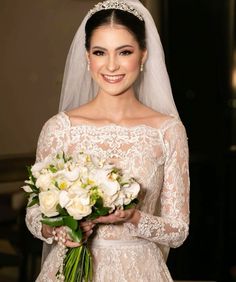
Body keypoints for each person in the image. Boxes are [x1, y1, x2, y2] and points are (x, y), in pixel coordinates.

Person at [26, 0, 190, 281]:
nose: (111, 65)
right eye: (100, 52)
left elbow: (178, 231)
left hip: (140, 271)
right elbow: (34, 214)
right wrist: (59, 229)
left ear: (143, 55)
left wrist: (134, 218)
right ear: (88, 58)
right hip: (68, 271)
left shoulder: (167, 131)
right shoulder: (60, 128)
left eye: (124, 52)